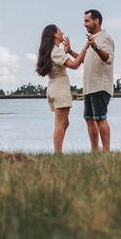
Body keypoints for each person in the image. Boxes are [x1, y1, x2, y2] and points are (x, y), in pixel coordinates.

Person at [35, 24, 88, 153]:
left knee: (63, 123)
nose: (62, 32)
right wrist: (86, 47)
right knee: (60, 124)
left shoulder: (52, 51)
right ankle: (57, 153)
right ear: (55, 34)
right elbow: (75, 65)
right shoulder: (56, 51)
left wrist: (66, 50)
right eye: (59, 31)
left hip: (53, 88)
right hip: (60, 89)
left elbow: (58, 63)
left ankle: (58, 151)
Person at [82, 9, 115, 151]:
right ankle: (95, 149)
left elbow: (108, 58)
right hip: (89, 86)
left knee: (100, 118)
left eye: (87, 21)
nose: (84, 24)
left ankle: (106, 150)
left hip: (100, 85)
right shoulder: (92, 40)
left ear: (96, 21)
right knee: (89, 118)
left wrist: (95, 47)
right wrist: (70, 51)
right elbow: (86, 60)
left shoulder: (105, 38)